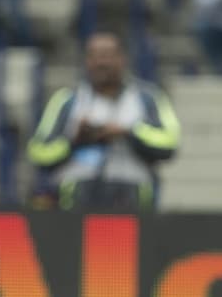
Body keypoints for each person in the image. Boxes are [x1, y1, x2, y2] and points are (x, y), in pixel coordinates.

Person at [28, 32, 180, 211]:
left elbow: (169, 142)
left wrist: (128, 132)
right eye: (95, 56)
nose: (101, 63)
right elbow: (38, 152)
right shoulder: (66, 100)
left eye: (108, 56)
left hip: (132, 195)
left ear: (122, 59)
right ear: (87, 61)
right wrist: (74, 141)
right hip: (76, 197)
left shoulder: (148, 98)